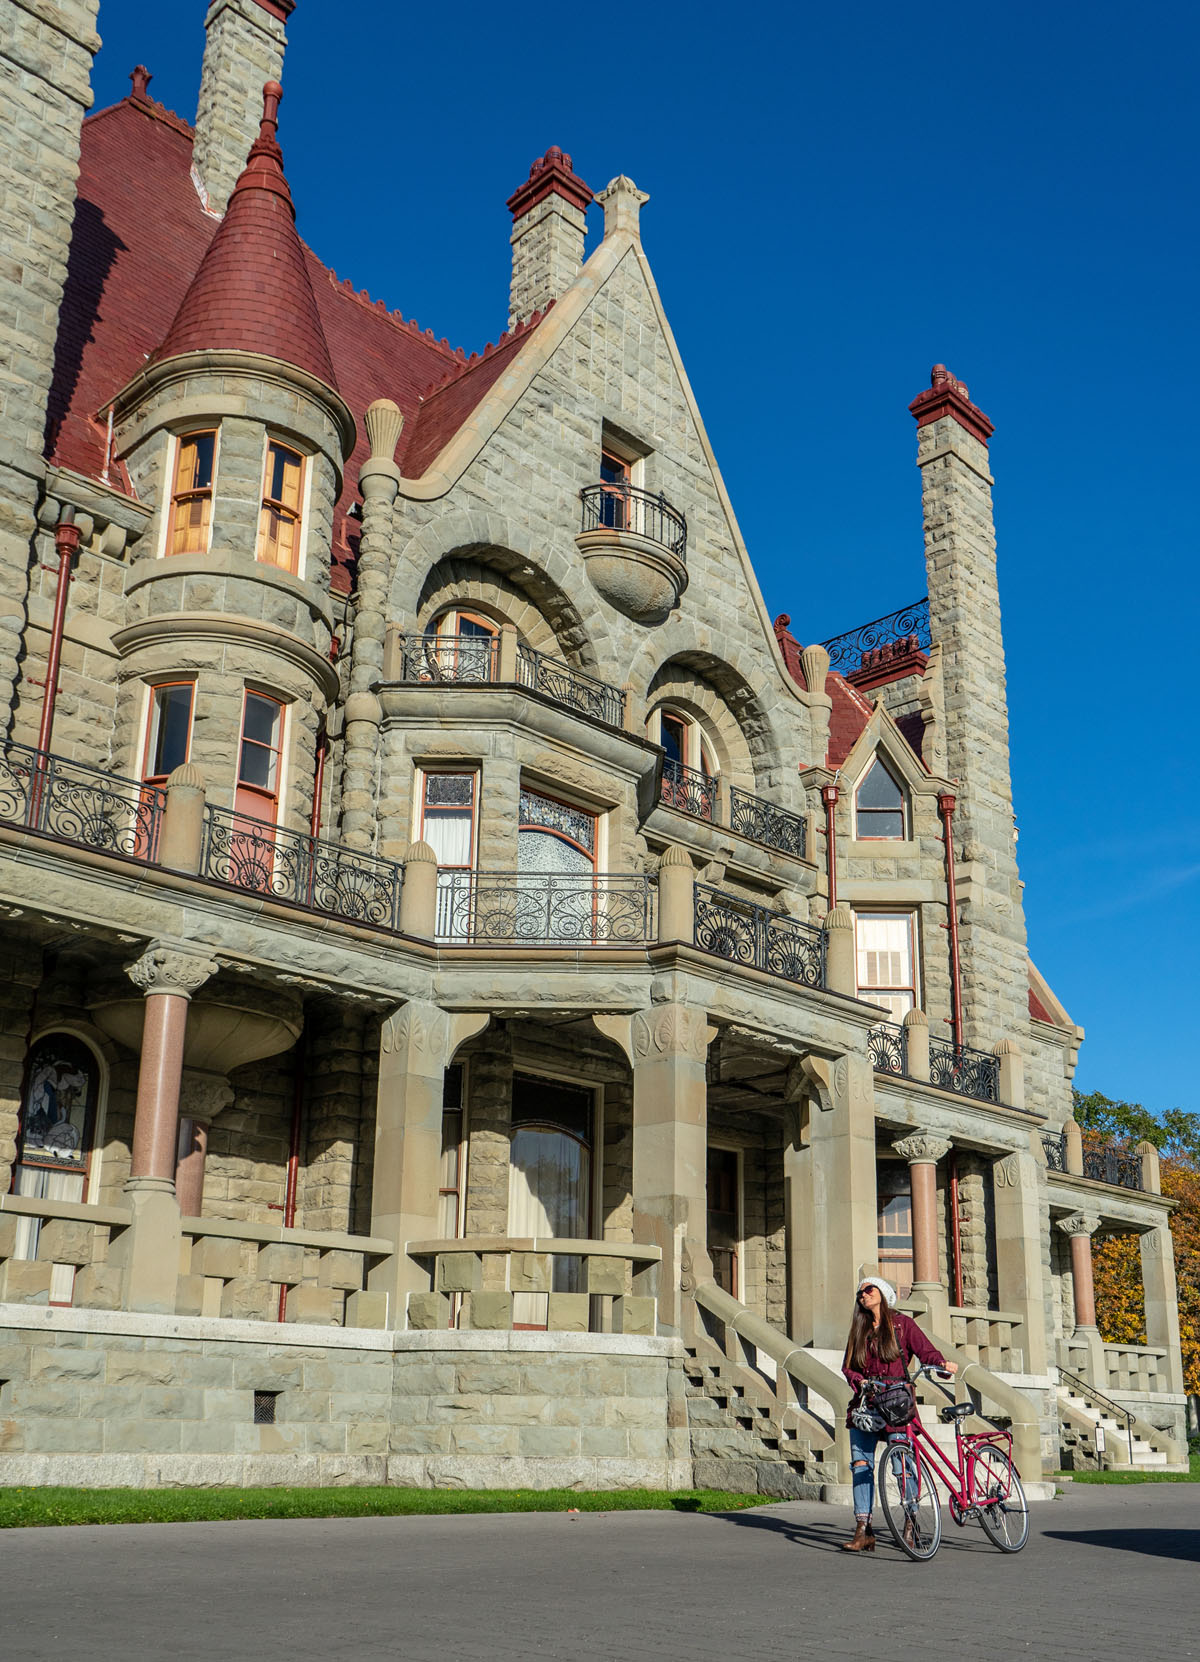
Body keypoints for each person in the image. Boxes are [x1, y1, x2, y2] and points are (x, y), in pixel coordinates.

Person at [839, 1275, 956, 1553]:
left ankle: (911, 1524)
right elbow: (848, 1367)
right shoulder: (859, 1328)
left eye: (868, 1289)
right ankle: (863, 1529)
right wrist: (860, 1381)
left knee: (902, 1466)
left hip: (896, 1403)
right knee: (860, 1466)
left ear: (882, 1292)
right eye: (860, 1293)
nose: (863, 1295)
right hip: (866, 1404)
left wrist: (941, 1363)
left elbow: (926, 1351)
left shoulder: (903, 1325)